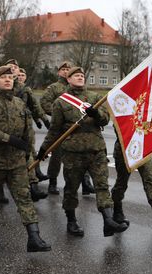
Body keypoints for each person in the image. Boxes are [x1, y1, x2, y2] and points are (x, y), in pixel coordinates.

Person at [37, 66, 128, 237]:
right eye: (75, 75)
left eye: (81, 75)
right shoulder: (61, 102)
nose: (79, 77)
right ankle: (71, 221)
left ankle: (108, 221)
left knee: (102, 186)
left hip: (96, 150)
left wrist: (95, 114)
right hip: (73, 153)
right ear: (68, 80)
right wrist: (44, 149)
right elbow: (55, 130)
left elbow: (105, 119)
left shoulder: (95, 97)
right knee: (71, 188)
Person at [0, 65, 51, 253]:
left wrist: (30, 151)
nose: (8, 80)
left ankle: (34, 237)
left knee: (24, 198)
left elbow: (27, 132)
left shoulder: (19, 103)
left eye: (10, 77)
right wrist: (8, 138)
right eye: (3, 77)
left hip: (16, 162)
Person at [39, 61, 95, 196]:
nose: (66, 71)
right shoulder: (54, 87)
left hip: (79, 128)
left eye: (68, 69)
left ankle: (86, 183)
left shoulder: (80, 88)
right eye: (63, 69)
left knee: (83, 155)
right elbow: (44, 102)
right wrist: (59, 114)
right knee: (57, 156)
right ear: (59, 72)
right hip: (61, 127)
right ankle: (52, 182)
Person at [110, 130, 152, 227]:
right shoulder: (121, 113)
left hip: (143, 148)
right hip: (125, 149)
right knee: (122, 183)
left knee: (149, 180)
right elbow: (120, 128)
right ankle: (117, 211)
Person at [4, 59, 48, 201]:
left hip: (23, 128)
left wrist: (45, 121)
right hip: (4, 130)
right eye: (9, 67)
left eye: (15, 67)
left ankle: (33, 187)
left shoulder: (25, 89)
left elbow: (35, 107)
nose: (13, 69)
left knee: (28, 155)